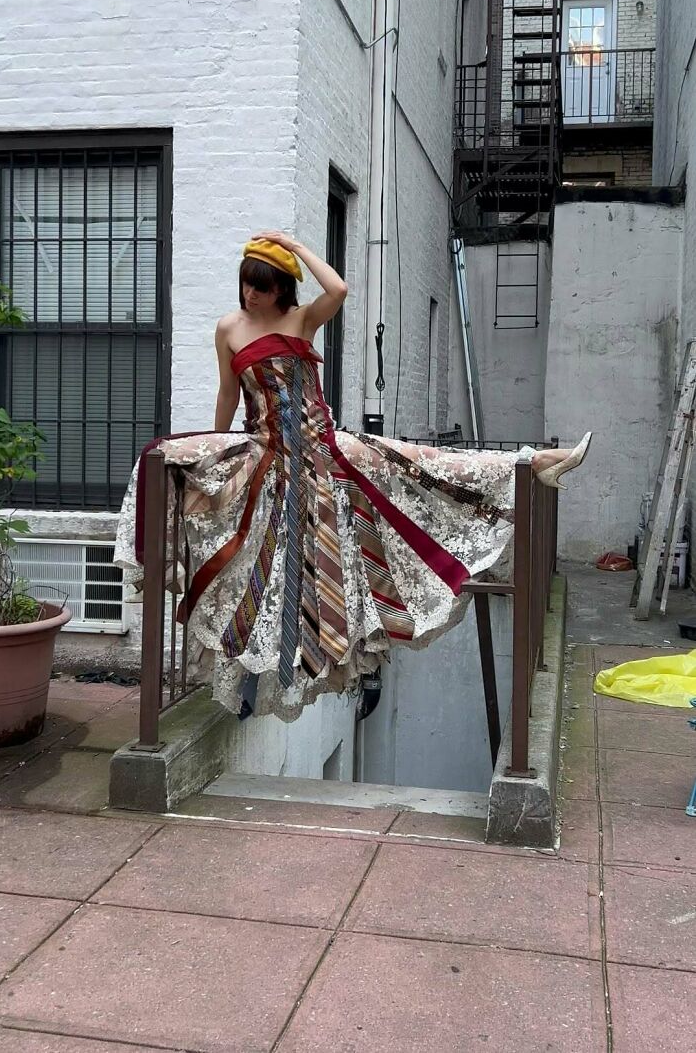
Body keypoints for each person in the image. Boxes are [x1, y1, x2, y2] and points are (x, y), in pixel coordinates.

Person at [114, 233, 591, 720]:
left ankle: (535, 463)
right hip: (267, 453)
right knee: (249, 552)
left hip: (324, 448)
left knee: (421, 465)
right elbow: (227, 395)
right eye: (245, 284)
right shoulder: (228, 328)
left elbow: (338, 290)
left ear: (282, 289)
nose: (250, 294)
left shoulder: (301, 319)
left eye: (261, 286)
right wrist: (218, 445)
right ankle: (250, 676)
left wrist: (294, 246)